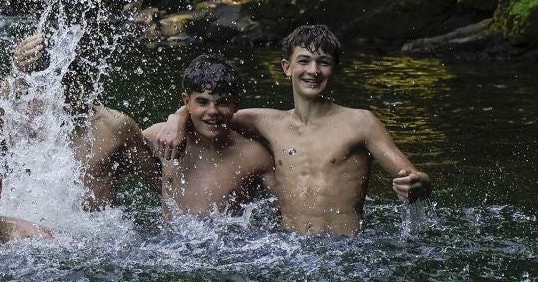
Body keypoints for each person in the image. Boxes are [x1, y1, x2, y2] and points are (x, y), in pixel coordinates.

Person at [157, 24, 430, 234]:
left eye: (323, 62)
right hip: (289, 247)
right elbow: (211, 112)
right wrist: (176, 121)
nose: (313, 70)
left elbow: (414, 175)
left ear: (334, 69)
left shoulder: (360, 122)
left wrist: (417, 184)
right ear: (287, 68)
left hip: (344, 247)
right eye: (304, 61)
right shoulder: (267, 122)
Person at [0, 32, 161, 210]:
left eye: (73, 87)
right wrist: (15, 74)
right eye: (58, 89)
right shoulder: (29, 119)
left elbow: (160, 186)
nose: (66, 97)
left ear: (87, 84)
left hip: (98, 232)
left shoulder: (114, 126)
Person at [143, 53, 274, 216]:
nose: (212, 111)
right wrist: (176, 118)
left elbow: (283, 212)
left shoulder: (255, 155)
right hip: (168, 240)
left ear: (236, 104)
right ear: (186, 101)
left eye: (223, 102)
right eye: (202, 102)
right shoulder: (163, 138)